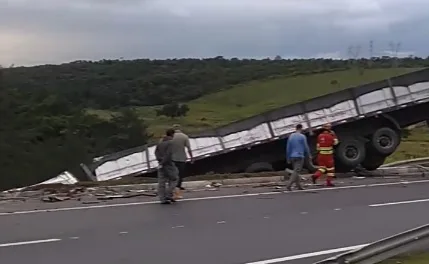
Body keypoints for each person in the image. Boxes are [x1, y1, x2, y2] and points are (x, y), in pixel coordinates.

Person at [155, 128, 179, 204]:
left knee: (161, 181)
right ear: (172, 134)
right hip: (168, 164)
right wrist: (163, 162)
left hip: (160, 164)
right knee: (174, 179)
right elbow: (168, 154)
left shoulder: (160, 143)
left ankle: (162, 198)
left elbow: (156, 152)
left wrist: (160, 161)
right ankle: (169, 194)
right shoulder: (171, 143)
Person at [285, 124, 311, 191]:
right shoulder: (302, 136)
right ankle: (289, 185)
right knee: (296, 171)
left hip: (292, 156)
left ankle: (298, 186)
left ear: (295, 128)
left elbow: (288, 148)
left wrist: (288, 157)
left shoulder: (291, 136)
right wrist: (309, 155)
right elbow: (306, 147)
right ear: (301, 128)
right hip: (299, 156)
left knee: (296, 171)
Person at [171, 124, 193, 195]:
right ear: (180, 129)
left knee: (173, 174)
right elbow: (188, 148)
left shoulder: (170, 137)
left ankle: (172, 188)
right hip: (182, 158)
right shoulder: (184, 136)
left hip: (172, 158)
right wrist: (191, 157)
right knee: (180, 174)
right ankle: (178, 187)